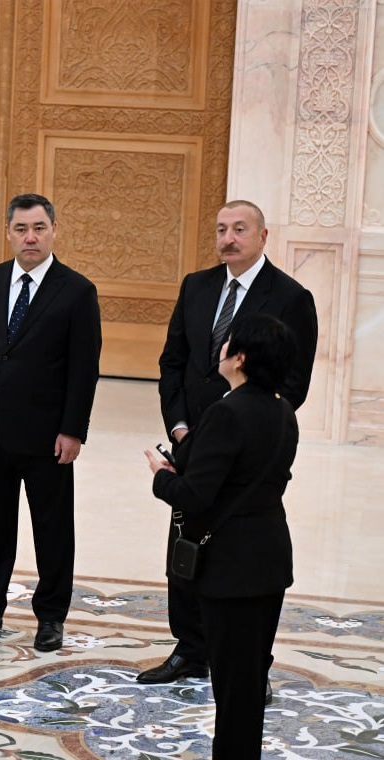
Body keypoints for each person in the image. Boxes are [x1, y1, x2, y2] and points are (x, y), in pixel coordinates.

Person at [142, 200, 317, 687]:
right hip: (190, 439)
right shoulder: (196, 286)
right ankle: (190, 647)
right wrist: (180, 426)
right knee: (185, 540)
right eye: (221, 229)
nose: (228, 238)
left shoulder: (291, 297)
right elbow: (173, 363)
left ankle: (250, 662)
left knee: (235, 546)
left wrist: (243, 425)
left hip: (244, 445)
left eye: (240, 229)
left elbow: (294, 382)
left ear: (263, 236)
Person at [0, 193, 101, 650]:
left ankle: (51, 616)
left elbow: (84, 369)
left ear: (54, 231)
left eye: (38, 228)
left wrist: (73, 429)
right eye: (21, 229)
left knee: (52, 529)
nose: (30, 237)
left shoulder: (77, 291)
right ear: (8, 233)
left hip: (48, 435)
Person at [144, 314, 300, 759]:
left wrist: (161, 476)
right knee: (248, 679)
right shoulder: (283, 411)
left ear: (241, 358)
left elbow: (195, 496)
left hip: (231, 567)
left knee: (232, 686)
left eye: (229, 343)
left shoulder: (226, 412)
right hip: (270, 559)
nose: (222, 348)